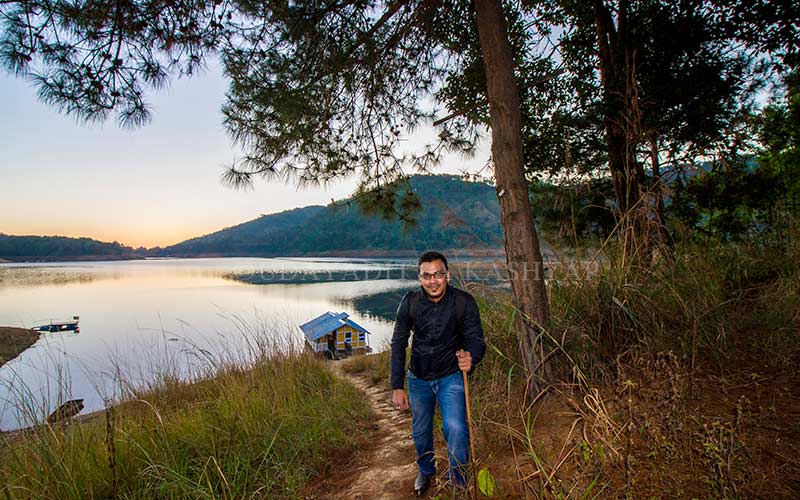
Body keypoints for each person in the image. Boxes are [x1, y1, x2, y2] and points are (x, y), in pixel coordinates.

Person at [391, 251, 486, 496]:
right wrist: (397, 386)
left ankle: (460, 483)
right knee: (421, 430)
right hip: (418, 378)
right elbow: (399, 343)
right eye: (427, 276)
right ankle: (426, 470)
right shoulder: (409, 303)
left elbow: (476, 340)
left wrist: (471, 357)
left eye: (439, 275)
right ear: (419, 278)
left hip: (451, 376)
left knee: (455, 427)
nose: (433, 281)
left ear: (448, 275)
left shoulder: (464, 302)